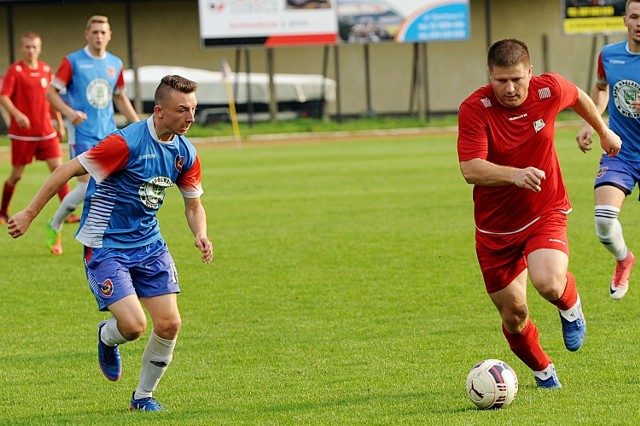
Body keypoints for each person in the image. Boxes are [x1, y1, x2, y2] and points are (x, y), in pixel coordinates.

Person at [7, 74, 213, 411]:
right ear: (159, 111)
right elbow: (66, 171)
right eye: (182, 110)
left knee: (169, 323)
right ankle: (107, 336)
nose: (190, 117)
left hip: (150, 244)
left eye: (193, 108)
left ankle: (143, 398)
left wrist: (200, 234)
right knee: (133, 326)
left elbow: (193, 205)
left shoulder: (184, 152)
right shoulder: (125, 143)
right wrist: (30, 213)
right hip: (106, 244)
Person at [457, 38, 622, 389]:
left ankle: (570, 306)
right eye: (501, 80)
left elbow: (577, 94)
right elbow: (470, 168)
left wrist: (603, 130)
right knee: (514, 316)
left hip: (544, 210)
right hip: (494, 231)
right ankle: (543, 371)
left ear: (530, 72)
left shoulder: (548, 89)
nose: (511, 88)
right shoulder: (475, 108)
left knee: (548, 282)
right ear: (490, 75)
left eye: (517, 78)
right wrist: (514, 175)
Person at [45, 14, 140, 255]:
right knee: (84, 188)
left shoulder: (115, 64)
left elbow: (119, 96)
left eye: (103, 32)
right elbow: (51, 93)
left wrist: (139, 124)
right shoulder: (73, 61)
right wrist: (69, 113)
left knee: (114, 186)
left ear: (109, 36)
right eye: (94, 32)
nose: (99, 36)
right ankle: (55, 225)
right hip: (83, 133)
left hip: (109, 134)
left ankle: (105, 236)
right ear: (87, 34)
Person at [576, 0, 640, 300]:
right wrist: (594, 122)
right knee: (603, 221)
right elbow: (601, 89)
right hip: (622, 152)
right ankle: (624, 258)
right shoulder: (609, 55)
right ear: (625, 20)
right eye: (635, 16)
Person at [0, 32, 76, 225]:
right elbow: (4, 96)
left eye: (34, 47)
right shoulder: (15, 70)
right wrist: (17, 115)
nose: (31, 50)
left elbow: (51, 99)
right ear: (21, 48)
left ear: (39, 49)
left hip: (46, 132)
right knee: (17, 176)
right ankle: (2, 212)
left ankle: (66, 213)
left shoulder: (45, 69)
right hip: (23, 134)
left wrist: (58, 122)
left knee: (59, 170)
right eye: (27, 47)